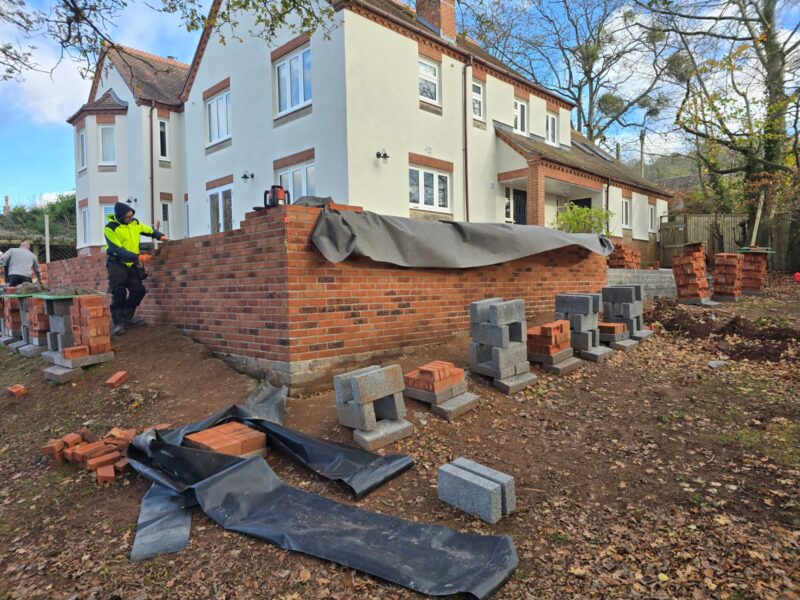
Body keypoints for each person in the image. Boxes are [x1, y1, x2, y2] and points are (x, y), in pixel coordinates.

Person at [104, 202, 168, 336]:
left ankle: (127, 319)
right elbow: (117, 250)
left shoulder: (135, 224)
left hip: (131, 264)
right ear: (120, 217)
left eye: (131, 216)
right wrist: (139, 257)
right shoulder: (110, 228)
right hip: (116, 263)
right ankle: (118, 323)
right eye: (127, 217)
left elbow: (148, 230)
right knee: (119, 291)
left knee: (139, 290)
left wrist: (159, 235)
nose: (130, 219)